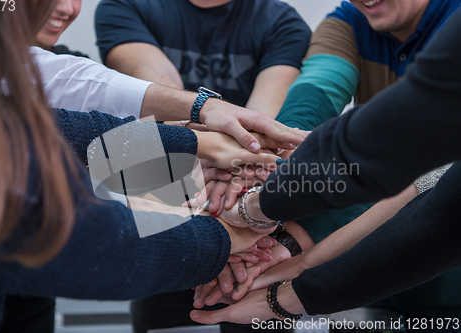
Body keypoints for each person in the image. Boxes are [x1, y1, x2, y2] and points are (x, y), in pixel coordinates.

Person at [0, 2, 290, 332]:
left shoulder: (48, 74)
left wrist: (202, 154)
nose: (65, 6)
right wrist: (228, 227)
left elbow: (96, 144)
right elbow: (104, 242)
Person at [189, 6, 461, 326]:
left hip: (432, 270)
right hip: (361, 268)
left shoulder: (278, 22)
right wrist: (260, 167)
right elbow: (314, 95)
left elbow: (414, 169)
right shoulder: (347, 22)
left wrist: (255, 202)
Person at [95, 1, 310, 331]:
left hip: (254, 236)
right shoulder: (125, 5)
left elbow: (260, 128)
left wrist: (231, 164)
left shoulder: (281, 21)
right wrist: (221, 150)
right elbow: (161, 98)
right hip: (165, 221)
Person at [95, 0, 311, 119]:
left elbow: (261, 120)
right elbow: (161, 100)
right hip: (153, 157)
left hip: (238, 166)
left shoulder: (286, 25)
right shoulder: (123, 6)